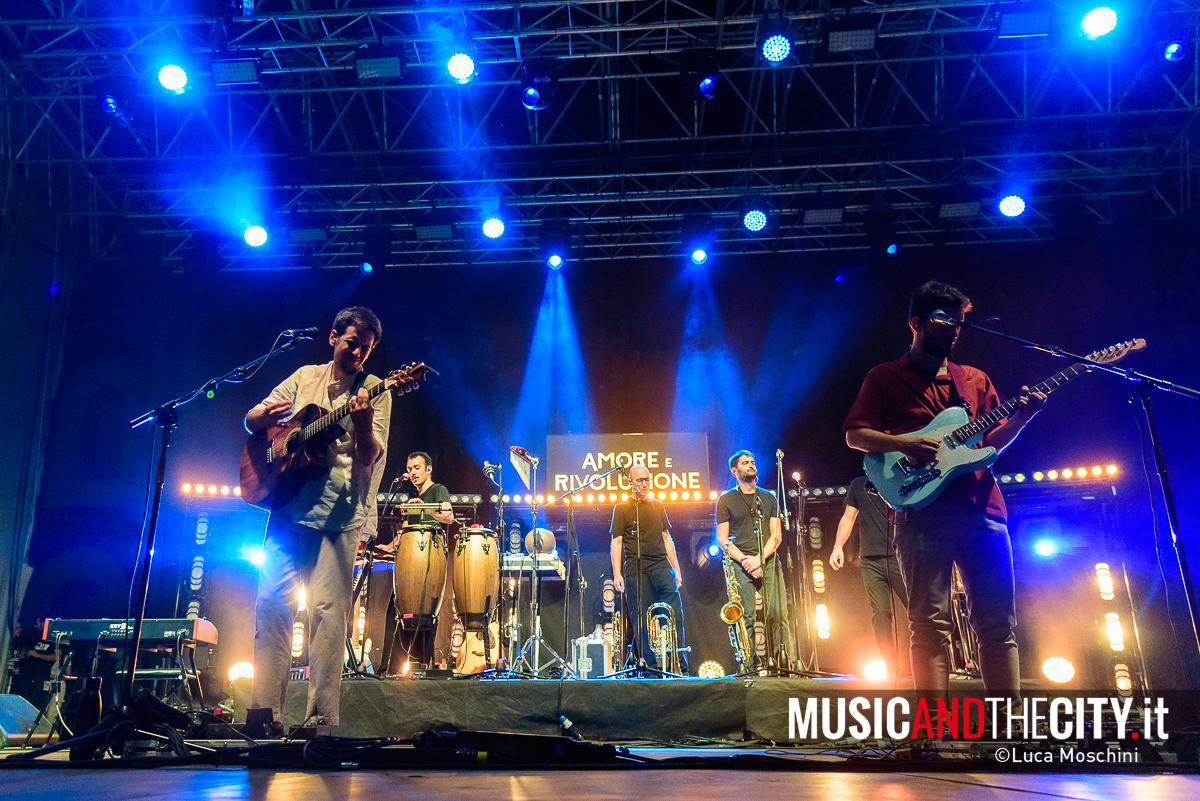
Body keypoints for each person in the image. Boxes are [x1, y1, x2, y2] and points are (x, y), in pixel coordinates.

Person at [844, 281, 1046, 696]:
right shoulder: (884, 377)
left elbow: (989, 446)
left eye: (960, 322)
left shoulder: (973, 379)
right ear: (916, 323)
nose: (954, 329)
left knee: (997, 623)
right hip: (921, 513)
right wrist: (904, 444)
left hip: (982, 509)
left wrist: (1023, 418)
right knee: (930, 625)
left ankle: (1006, 731)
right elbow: (855, 436)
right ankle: (933, 734)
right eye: (943, 320)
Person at [245, 306, 390, 728]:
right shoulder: (305, 376)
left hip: (339, 516)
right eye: (351, 343)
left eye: (366, 348)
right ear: (333, 338)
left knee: (328, 618)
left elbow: (369, 454)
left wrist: (362, 426)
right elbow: (254, 416)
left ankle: (322, 722)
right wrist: (258, 419)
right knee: (271, 607)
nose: (358, 352)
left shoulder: (378, 388)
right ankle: (263, 714)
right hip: (289, 506)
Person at [610, 464, 687, 673]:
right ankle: (650, 669)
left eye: (647, 479)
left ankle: (679, 667)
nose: (644, 484)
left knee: (674, 618)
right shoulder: (622, 508)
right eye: (639, 480)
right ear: (630, 483)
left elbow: (666, 537)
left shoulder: (658, 505)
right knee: (644, 621)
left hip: (662, 568)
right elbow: (616, 542)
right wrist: (617, 573)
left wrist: (677, 570)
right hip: (637, 572)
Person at [831, 476, 910, 679]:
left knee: (917, 610)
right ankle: (892, 668)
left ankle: (930, 663)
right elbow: (848, 517)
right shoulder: (859, 485)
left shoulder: (900, 478)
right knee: (880, 615)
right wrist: (838, 546)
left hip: (899, 555)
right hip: (870, 560)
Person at [715, 450, 788, 671]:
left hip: (767, 562)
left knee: (778, 613)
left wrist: (759, 560)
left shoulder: (769, 498)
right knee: (744, 615)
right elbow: (722, 539)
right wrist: (746, 561)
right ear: (734, 471)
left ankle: (781, 662)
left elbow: (776, 536)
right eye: (745, 463)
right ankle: (747, 666)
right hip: (740, 564)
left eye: (753, 462)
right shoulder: (726, 500)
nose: (751, 465)